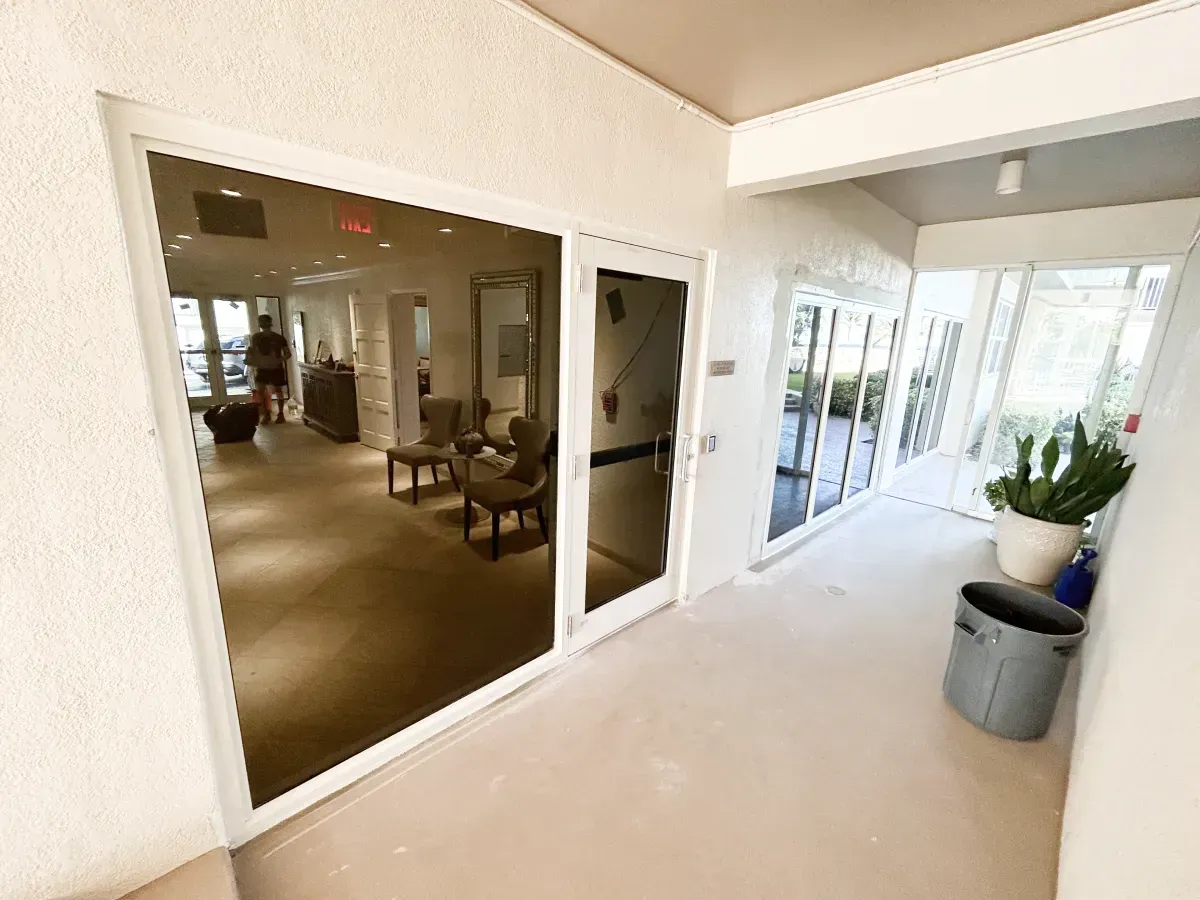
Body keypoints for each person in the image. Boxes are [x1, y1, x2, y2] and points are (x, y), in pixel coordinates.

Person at [248, 314, 291, 424]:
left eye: (265, 322)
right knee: (260, 391)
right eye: (261, 322)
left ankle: (281, 414)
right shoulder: (256, 337)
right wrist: (250, 358)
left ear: (270, 323)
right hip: (262, 368)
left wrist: (278, 360)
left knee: (278, 390)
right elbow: (252, 351)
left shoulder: (279, 338)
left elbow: (288, 353)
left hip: (276, 368)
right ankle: (266, 414)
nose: (263, 324)